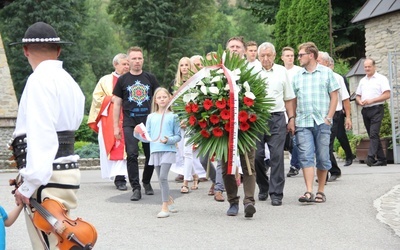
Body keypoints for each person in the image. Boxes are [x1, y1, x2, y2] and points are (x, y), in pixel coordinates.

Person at [10, 21, 85, 249]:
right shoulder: (70, 83)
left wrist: (27, 185)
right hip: (66, 173)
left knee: (47, 245)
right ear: (58, 50)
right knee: (60, 243)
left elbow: (42, 137)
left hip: (47, 179)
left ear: (25, 51)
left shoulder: (38, 81)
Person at [292, 42, 339, 203]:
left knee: (323, 156)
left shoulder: (326, 73)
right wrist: (292, 119)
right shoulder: (297, 76)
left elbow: (334, 95)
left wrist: (329, 117)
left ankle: (321, 191)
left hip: (322, 122)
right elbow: (293, 99)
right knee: (305, 156)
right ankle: (308, 191)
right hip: (303, 122)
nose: (298, 58)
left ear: (311, 55)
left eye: (301, 55)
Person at [113, 46, 160, 201]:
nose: (137, 61)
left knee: (150, 155)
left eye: (139, 58)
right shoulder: (122, 80)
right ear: (129, 60)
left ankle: (146, 181)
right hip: (129, 123)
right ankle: (136, 188)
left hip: (149, 124)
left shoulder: (150, 78)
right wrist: (115, 127)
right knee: (132, 154)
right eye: (134, 58)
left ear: (143, 60)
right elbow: (117, 104)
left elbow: (159, 100)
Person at [255, 42, 296, 206]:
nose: (266, 58)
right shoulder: (252, 72)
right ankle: (263, 187)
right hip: (257, 118)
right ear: (258, 57)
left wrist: (291, 119)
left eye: (268, 55)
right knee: (257, 156)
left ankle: (276, 193)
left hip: (278, 117)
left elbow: (288, 98)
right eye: (262, 56)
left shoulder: (281, 71)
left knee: (277, 156)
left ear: (274, 55)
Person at [134, 87, 181, 218]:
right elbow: (147, 136)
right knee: (161, 180)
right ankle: (169, 199)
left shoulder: (174, 116)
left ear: (169, 98)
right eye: (159, 97)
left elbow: (178, 136)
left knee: (163, 177)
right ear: (155, 100)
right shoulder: (150, 117)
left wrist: (169, 140)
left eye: (164, 97)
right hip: (155, 150)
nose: (162, 99)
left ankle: (164, 206)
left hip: (168, 150)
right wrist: (139, 135)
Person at [223, 36, 256, 217]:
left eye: (238, 46)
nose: (235, 49)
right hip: (224, 126)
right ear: (227, 50)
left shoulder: (252, 70)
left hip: (246, 125)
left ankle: (249, 201)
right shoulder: (219, 71)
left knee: (248, 164)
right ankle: (233, 201)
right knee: (226, 166)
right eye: (232, 46)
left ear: (244, 50)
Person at [88, 53, 129, 190]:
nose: (127, 66)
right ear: (115, 65)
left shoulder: (132, 79)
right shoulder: (105, 80)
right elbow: (97, 98)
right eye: (124, 64)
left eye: (128, 64)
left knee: (126, 147)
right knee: (115, 145)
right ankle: (119, 177)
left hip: (128, 118)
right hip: (110, 120)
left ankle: (123, 176)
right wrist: (110, 99)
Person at [317, 52, 352, 182]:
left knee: (327, 144)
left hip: (335, 114)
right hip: (320, 114)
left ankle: (330, 172)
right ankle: (330, 171)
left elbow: (346, 99)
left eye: (319, 60)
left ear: (327, 63)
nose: (317, 62)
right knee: (322, 145)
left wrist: (348, 117)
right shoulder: (315, 76)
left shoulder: (337, 77)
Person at [355, 58, 391, 166]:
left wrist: (372, 100)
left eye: (369, 66)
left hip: (376, 109)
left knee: (374, 133)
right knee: (373, 135)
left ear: (374, 66)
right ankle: (382, 159)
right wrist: (359, 101)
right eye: (365, 67)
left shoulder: (381, 79)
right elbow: (357, 95)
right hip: (365, 110)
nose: (367, 69)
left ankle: (370, 157)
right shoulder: (362, 80)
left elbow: (387, 94)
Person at [281, 46, 303, 178]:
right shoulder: (279, 71)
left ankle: (295, 165)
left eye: (292, 55)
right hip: (281, 110)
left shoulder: (299, 71)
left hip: (296, 109)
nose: (290, 58)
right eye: (287, 55)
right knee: (285, 140)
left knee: (295, 138)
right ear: (282, 57)